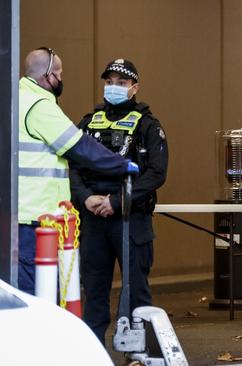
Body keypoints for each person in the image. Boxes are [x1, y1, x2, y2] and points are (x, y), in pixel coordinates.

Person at [69, 58, 168, 344]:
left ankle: (141, 357)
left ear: (134, 88)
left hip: (129, 220)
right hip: (93, 221)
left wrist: (116, 200)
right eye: (109, 81)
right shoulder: (88, 122)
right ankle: (93, 355)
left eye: (121, 83)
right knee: (94, 293)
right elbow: (73, 166)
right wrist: (86, 198)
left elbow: (156, 174)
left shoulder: (148, 126)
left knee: (136, 295)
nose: (113, 87)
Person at [18, 47, 131, 294]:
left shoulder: (16, 97)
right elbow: (80, 147)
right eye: (58, 73)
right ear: (48, 76)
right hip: (35, 220)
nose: (61, 78)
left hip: (20, 217)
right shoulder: (39, 106)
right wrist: (122, 164)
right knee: (40, 298)